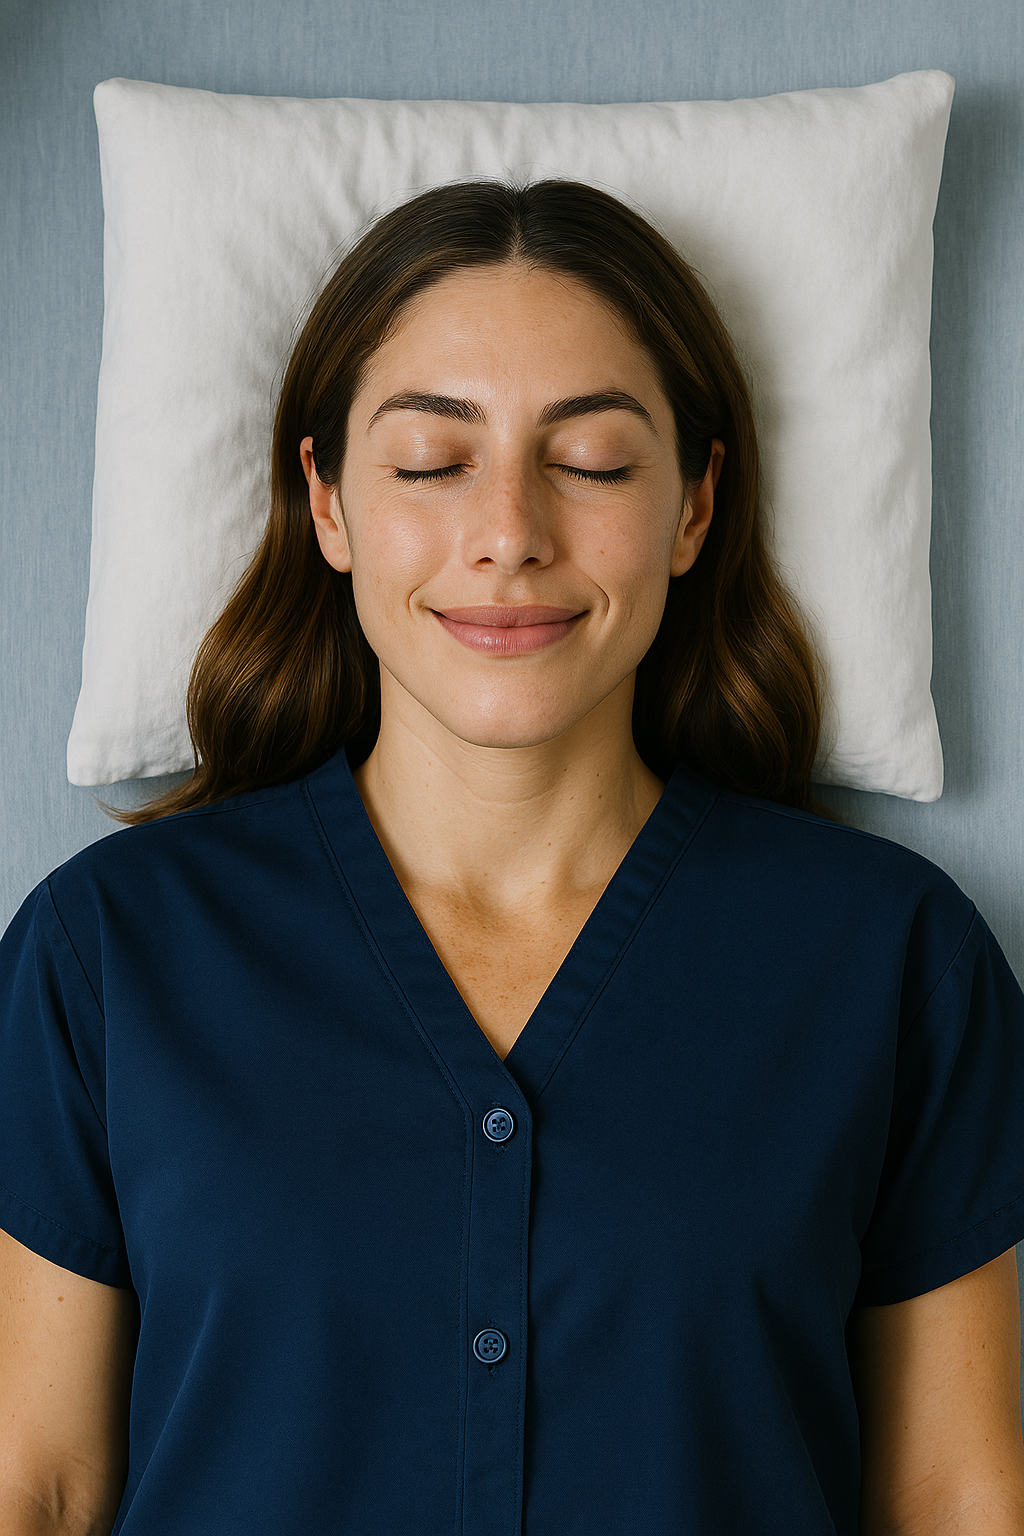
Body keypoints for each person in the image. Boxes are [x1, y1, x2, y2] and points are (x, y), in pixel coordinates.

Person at [1, 178, 1023, 1536]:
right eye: (431, 464)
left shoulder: (895, 959)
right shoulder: (107, 956)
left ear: (696, 507)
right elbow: (40, 1486)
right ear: (326, 505)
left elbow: (957, 1496)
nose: (510, 535)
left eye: (593, 463)